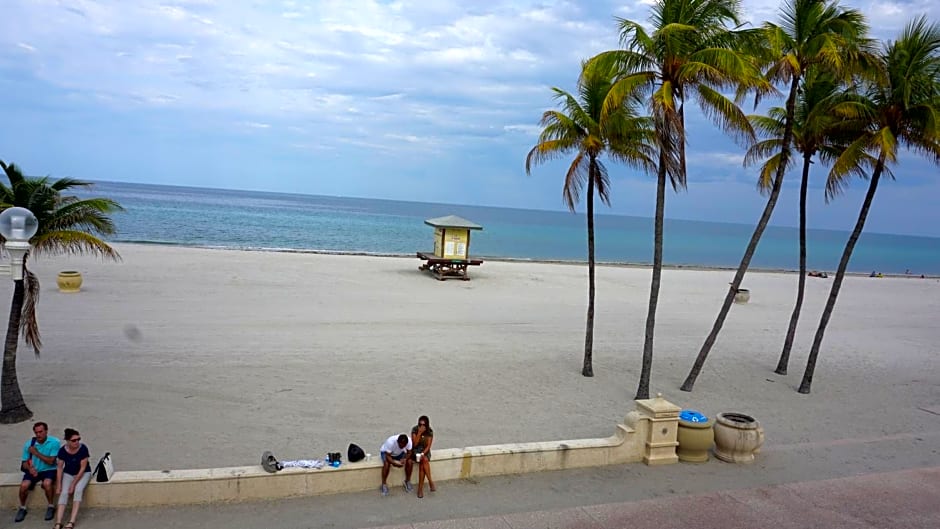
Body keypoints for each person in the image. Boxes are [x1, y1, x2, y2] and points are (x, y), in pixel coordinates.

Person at [15, 421, 61, 523]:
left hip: (49, 469)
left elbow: (51, 461)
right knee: (23, 486)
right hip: (34, 470)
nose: (38, 435)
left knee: (47, 483)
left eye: (41, 432)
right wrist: (29, 468)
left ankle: (50, 506)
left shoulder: (54, 442)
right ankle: (22, 507)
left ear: (46, 431)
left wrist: (36, 453)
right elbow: (24, 463)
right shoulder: (29, 444)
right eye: (36, 432)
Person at [53, 428, 91, 529]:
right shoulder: (62, 451)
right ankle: (58, 522)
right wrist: (59, 485)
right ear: (68, 441)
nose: (77, 442)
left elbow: (83, 468)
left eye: (78, 439)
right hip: (68, 473)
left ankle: (72, 521)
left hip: (83, 473)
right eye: (74, 440)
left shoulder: (83, 449)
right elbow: (60, 468)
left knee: (78, 490)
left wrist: (73, 484)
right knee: (64, 493)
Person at [409, 415, 436, 498]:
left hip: (425, 452)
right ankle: (430, 482)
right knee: (423, 461)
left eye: (424, 425)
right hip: (416, 451)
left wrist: (423, 454)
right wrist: (419, 433)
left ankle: (420, 489)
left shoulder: (430, 431)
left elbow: (428, 446)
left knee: (423, 462)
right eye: (420, 424)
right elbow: (414, 444)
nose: (422, 426)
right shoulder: (415, 429)